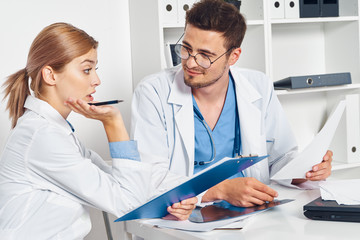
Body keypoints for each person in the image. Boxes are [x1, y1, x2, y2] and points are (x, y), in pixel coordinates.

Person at [0, 22, 197, 240]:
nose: (96, 81)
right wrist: (113, 123)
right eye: (86, 70)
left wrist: (173, 199)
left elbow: (119, 182)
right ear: (50, 75)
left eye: (95, 70)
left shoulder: (56, 133)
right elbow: (126, 201)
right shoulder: (43, 137)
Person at [131, 0, 333, 208]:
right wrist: (218, 191)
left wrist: (305, 171)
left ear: (233, 56)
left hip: (251, 212)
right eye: (186, 49)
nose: (191, 62)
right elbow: (149, 177)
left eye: (205, 56)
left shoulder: (258, 86)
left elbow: (278, 158)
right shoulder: (153, 92)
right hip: (185, 217)